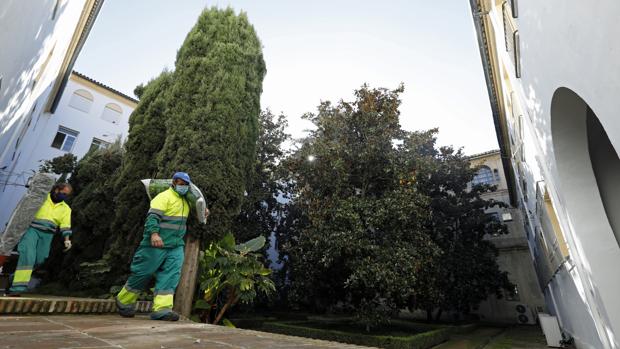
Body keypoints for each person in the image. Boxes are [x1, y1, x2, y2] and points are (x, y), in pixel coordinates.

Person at [116, 172, 209, 321]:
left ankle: (161, 309)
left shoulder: (185, 202)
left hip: (175, 245)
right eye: (180, 183)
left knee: (171, 275)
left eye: (185, 184)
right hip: (155, 243)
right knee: (143, 273)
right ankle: (124, 300)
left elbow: (194, 214)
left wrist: (203, 212)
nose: (182, 186)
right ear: (173, 183)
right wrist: (154, 234)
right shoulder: (164, 197)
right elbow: (152, 217)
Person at [9, 183, 73, 294]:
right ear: (56, 190)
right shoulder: (42, 199)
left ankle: (14, 277)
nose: (64, 197)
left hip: (48, 235)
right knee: (28, 256)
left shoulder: (66, 209)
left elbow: (65, 225)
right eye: (63, 193)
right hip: (32, 230)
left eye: (66, 195)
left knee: (40, 259)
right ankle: (17, 289)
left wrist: (67, 240)